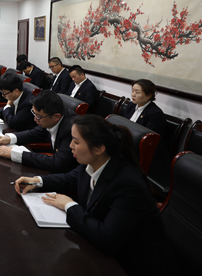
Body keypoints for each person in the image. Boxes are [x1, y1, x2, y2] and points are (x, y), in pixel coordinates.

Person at [14, 115, 174, 276]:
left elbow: (107, 239)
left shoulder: (127, 183)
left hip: (133, 264)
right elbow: (69, 179)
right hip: (102, 250)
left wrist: (69, 206)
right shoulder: (93, 163)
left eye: (76, 142)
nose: (70, 146)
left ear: (99, 149)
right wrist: (37, 181)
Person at [0, 90, 78, 173]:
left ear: (56, 117)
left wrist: (15, 154)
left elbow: (57, 163)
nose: (35, 119)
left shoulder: (71, 130)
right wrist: (9, 138)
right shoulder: (50, 118)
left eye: (38, 116)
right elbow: (35, 133)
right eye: (34, 114)